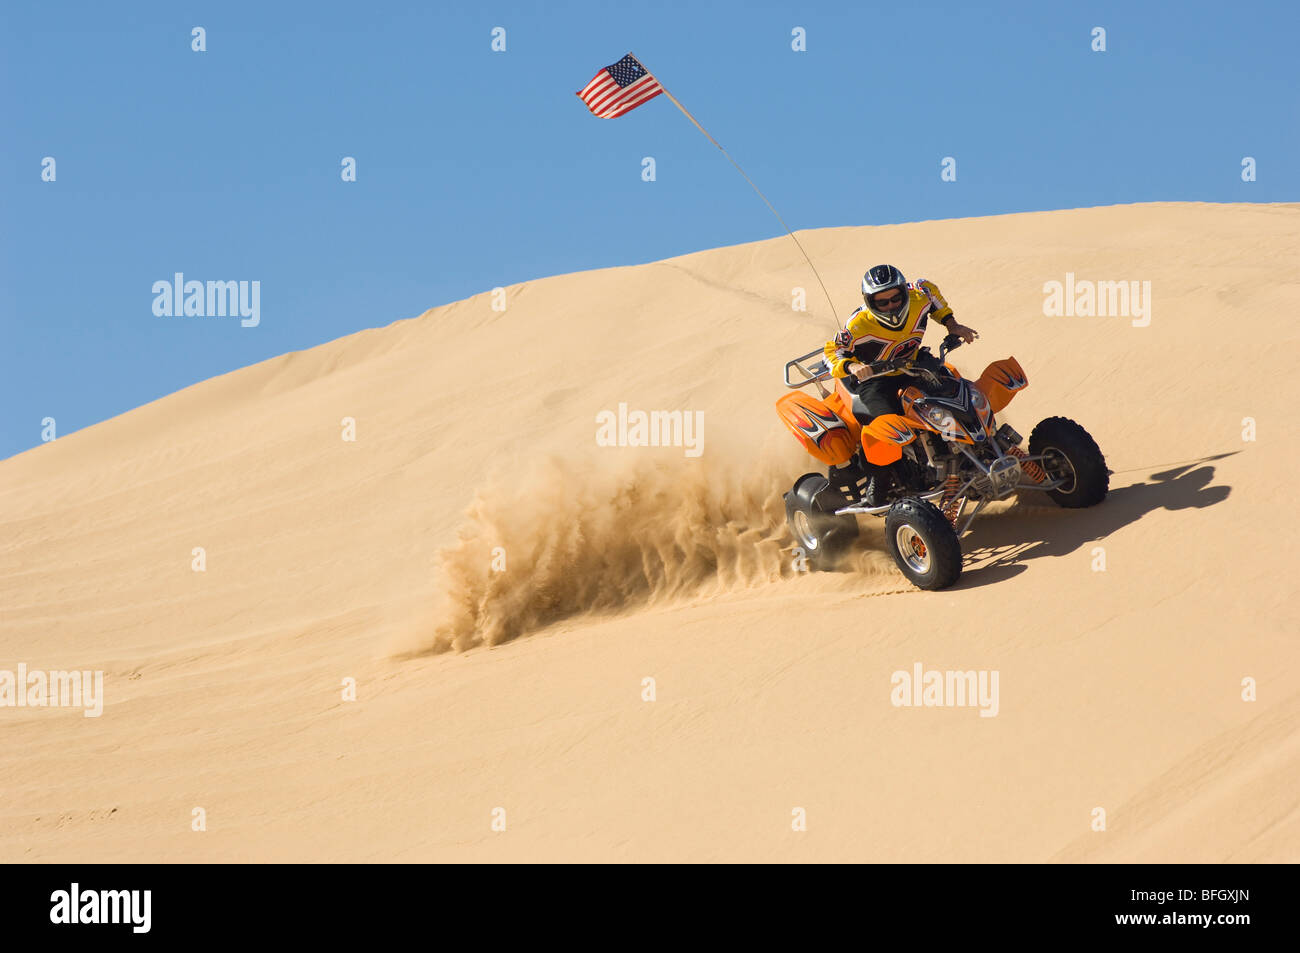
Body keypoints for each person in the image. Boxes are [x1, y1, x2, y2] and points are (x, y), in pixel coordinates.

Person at [823, 264, 979, 503]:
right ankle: (880, 477)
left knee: (958, 394)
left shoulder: (919, 295)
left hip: (914, 366)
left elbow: (931, 292)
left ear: (903, 292)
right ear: (870, 301)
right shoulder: (857, 324)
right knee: (883, 425)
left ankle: (981, 449)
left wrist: (951, 324)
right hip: (876, 379)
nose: (890, 306)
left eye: (895, 298)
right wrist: (852, 366)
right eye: (882, 302)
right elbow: (832, 351)